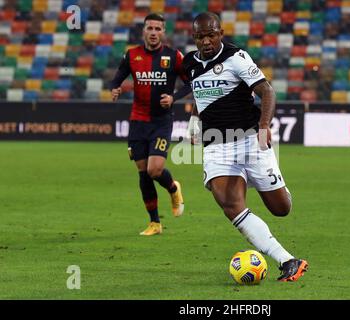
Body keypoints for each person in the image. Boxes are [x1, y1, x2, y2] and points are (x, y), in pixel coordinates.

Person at [183, 12, 309, 282]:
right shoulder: (189, 63)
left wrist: (264, 125)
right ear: (194, 38)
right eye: (200, 36)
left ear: (221, 34)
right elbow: (202, 92)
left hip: (250, 139)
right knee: (230, 204)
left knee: (281, 208)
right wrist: (194, 119)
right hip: (216, 144)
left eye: (211, 35)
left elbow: (267, 91)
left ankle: (269, 182)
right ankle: (287, 260)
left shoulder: (236, 58)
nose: (206, 41)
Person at [110, 13, 191, 236]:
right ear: (143, 31)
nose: (153, 32)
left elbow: (190, 83)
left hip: (161, 122)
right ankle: (155, 223)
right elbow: (117, 78)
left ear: (163, 32)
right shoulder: (132, 55)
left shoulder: (173, 56)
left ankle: (174, 188)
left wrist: (174, 97)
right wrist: (115, 88)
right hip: (138, 121)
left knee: (154, 169)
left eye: (158, 29)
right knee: (143, 173)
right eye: (150, 28)